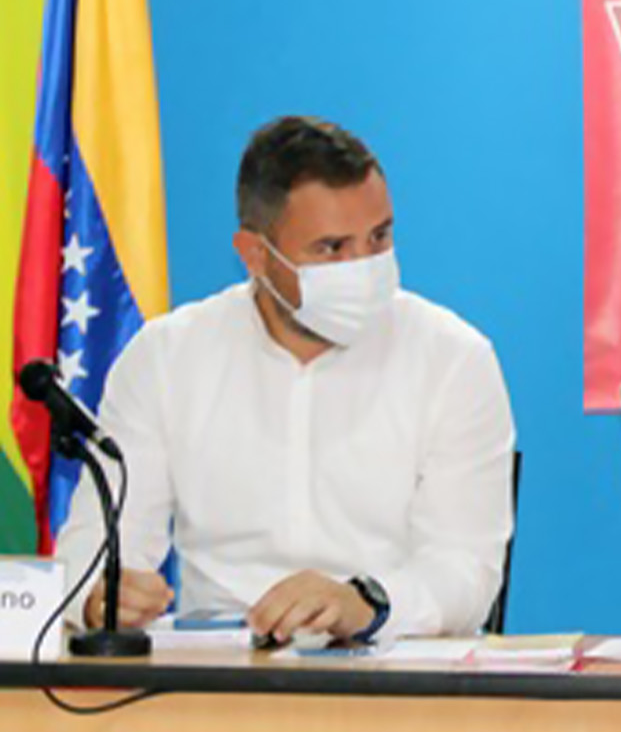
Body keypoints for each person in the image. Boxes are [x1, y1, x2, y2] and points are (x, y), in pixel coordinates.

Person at [55, 116, 517, 644]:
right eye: (331, 248)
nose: (364, 266)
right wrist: (99, 597)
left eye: (379, 237)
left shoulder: (454, 359)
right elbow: (92, 547)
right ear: (255, 255)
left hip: (392, 665)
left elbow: (466, 572)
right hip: (215, 677)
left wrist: (363, 603)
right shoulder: (165, 359)